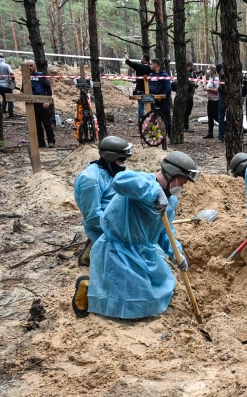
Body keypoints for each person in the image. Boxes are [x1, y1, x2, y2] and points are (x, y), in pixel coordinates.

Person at [72, 151, 200, 319]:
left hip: (143, 252)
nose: (182, 186)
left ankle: (102, 286)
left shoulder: (170, 201)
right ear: (172, 175)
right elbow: (120, 181)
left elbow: (165, 231)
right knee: (134, 301)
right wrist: (154, 191)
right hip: (118, 251)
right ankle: (89, 288)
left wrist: (175, 252)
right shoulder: (141, 182)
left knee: (160, 289)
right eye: (182, 181)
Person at [73, 136, 135, 266]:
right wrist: (121, 229)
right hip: (103, 225)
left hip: (115, 220)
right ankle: (93, 250)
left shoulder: (110, 171)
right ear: (110, 158)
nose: (124, 164)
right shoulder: (91, 180)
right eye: (121, 160)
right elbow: (93, 217)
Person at [25, 59, 56, 148]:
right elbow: (23, 90)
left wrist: (47, 101)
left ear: (35, 66)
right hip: (32, 105)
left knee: (47, 124)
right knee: (37, 124)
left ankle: (51, 141)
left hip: (43, 104)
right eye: (28, 66)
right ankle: (41, 142)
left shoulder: (41, 76)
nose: (30, 68)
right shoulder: (26, 77)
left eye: (31, 65)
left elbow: (48, 89)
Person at [148, 58, 172, 141]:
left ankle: (170, 136)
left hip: (163, 101)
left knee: (166, 119)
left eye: (151, 64)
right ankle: (154, 137)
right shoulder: (151, 75)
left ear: (156, 65)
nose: (150, 66)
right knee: (153, 119)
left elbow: (168, 88)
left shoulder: (164, 75)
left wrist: (162, 97)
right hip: (154, 101)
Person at [125, 54, 151, 121]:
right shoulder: (150, 68)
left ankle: (141, 120)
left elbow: (128, 62)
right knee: (149, 105)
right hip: (148, 89)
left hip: (140, 89)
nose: (140, 59)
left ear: (144, 59)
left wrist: (126, 55)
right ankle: (150, 119)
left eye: (141, 58)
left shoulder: (139, 66)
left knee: (141, 105)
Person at [0, 53, 16, 118]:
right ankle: (11, 114)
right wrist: (13, 82)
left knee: (4, 98)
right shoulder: (6, 65)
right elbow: (12, 74)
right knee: (10, 100)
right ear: (3, 58)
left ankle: (2, 110)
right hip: (6, 85)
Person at [203, 64, 219, 139]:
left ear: (213, 70)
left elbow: (217, 90)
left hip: (215, 101)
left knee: (216, 117)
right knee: (210, 117)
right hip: (210, 100)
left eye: (209, 69)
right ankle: (210, 133)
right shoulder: (210, 78)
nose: (207, 71)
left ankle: (226, 127)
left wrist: (208, 89)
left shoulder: (216, 78)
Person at [184, 61, 197, 132]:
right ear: (189, 66)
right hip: (187, 95)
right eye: (191, 66)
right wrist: (194, 83)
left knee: (187, 111)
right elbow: (189, 83)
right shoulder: (186, 74)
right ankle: (186, 126)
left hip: (189, 94)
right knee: (187, 111)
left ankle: (185, 125)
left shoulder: (189, 73)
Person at [216, 64, 226, 141]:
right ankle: (222, 134)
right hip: (224, 95)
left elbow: (221, 87)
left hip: (224, 95)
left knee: (221, 116)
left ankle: (222, 135)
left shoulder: (222, 73)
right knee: (221, 117)